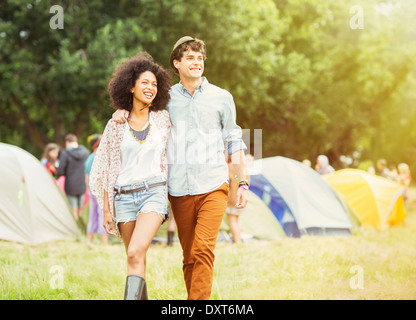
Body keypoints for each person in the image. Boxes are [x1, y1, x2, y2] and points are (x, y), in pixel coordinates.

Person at [112, 36, 249, 300]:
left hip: (214, 184)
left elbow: (234, 139)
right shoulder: (165, 98)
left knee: (202, 250)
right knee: (189, 256)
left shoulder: (222, 97)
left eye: (200, 58)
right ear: (177, 63)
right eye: (190, 58)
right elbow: (140, 110)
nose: (196, 62)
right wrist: (122, 110)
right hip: (179, 188)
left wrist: (241, 182)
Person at [89, 52, 172, 300]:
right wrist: (106, 209)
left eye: (155, 84)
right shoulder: (115, 124)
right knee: (135, 258)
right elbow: (104, 168)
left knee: (135, 252)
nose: (150, 88)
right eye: (145, 82)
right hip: (123, 197)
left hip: (153, 193)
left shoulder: (163, 119)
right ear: (131, 86)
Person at [57, 133, 90, 220]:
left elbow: (60, 171)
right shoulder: (86, 153)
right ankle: (80, 228)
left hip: (70, 185)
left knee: (73, 209)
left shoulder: (65, 153)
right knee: (80, 209)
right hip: (83, 184)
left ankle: (75, 229)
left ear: (67, 142)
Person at [84, 134, 108, 247]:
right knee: (102, 214)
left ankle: (89, 241)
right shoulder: (100, 157)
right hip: (100, 190)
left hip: (91, 190)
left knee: (92, 215)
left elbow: (86, 178)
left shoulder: (89, 158)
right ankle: (105, 244)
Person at [226, 155, 251, 244]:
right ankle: (238, 239)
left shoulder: (230, 167)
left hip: (233, 198)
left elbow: (227, 182)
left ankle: (237, 241)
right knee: (236, 220)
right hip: (242, 198)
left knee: (232, 220)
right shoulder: (244, 167)